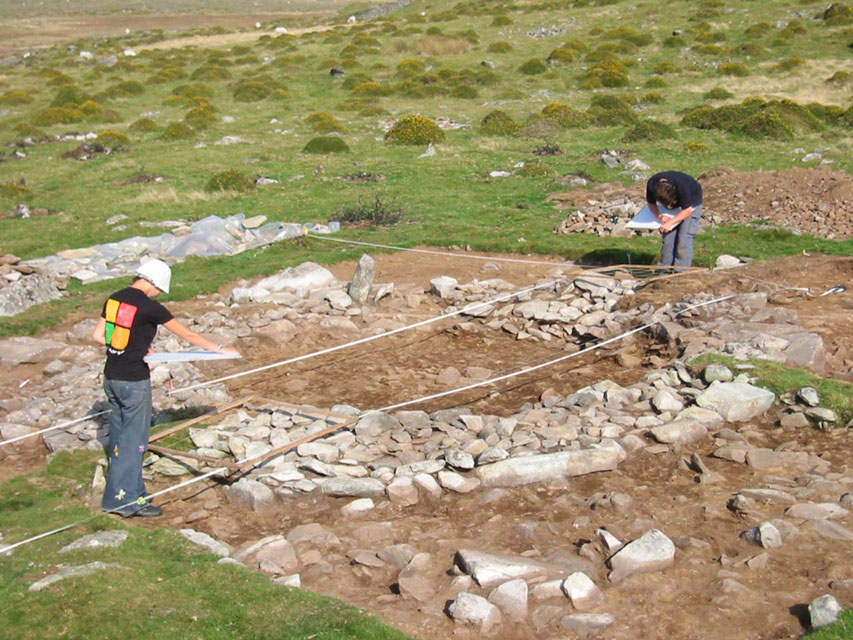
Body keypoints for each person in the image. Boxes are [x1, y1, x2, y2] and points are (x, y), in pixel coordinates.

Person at [92, 259, 239, 517]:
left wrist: (132, 345)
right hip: (133, 381)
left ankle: (132, 494)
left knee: (119, 437)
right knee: (135, 442)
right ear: (152, 283)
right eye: (160, 289)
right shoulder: (151, 308)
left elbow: (99, 336)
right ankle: (122, 500)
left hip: (112, 377)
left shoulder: (114, 299)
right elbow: (188, 336)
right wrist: (219, 349)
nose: (159, 294)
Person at [645, 170, 703, 268]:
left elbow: (687, 211)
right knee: (668, 240)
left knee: (684, 240)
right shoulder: (652, 184)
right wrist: (660, 216)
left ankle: (680, 272)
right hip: (678, 202)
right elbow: (651, 203)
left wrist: (670, 222)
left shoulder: (684, 187)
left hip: (691, 204)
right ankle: (664, 270)